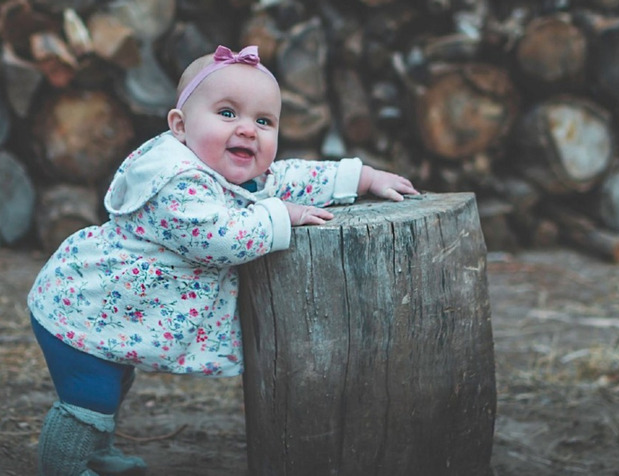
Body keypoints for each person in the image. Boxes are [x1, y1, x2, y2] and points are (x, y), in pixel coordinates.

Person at [27, 45, 419, 475]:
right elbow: (217, 239)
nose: (248, 130)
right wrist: (278, 215)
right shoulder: (175, 182)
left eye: (263, 121)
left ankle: (94, 453)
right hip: (82, 306)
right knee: (90, 394)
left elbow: (290, 176)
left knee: (116, 381)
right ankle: (63, 466)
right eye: (228, 113)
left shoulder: (231, 172)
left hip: (112, 312)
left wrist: (362, 177)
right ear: (180, 125)